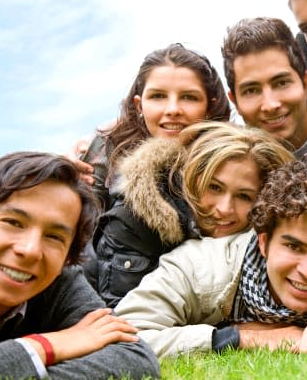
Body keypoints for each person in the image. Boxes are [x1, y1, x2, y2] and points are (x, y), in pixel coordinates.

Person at [114, 158, 307, 357]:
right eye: (294, 247)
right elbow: (123, 339)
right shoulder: (195, 267)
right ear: (264, 242)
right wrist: (239, 338)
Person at [0, 152, 159, 378]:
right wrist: (45, 346)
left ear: (69, 254)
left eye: (54, 237)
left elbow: (135, 357)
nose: (30, 250)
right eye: (13, 222)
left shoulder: (60, 279)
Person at [87, 121, 294, 308]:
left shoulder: (260, 233)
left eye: (244, 196)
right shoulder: (132, 221)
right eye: (214, 187)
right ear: (191, 178)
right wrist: (233, 333)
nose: (225, 208)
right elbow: (125, 320)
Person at [74, 43, 231, 210]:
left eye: (189, 97)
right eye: (158, 96)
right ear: (139, 105)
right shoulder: (108, 148)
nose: (173, 109)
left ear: (209, 107)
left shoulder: (234, 155)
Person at [222, 17, 307, 157]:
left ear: (305, 83)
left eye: (281, 83)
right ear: (235, 101)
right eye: (251, 90)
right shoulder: (229, 151)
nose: (270, 105)